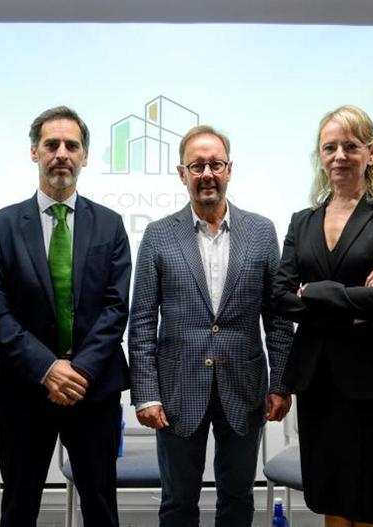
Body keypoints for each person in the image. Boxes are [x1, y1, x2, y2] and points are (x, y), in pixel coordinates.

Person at [129, 125, 294, 526]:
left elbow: (276, 318)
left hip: (244, 387)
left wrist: (280, 384)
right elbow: (143, 321)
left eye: (215, 164)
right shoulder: (158, 235)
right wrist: (146, 394)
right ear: (182, 173)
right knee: (177, 501)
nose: (207, 173)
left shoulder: (261, 231)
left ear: (229, 170)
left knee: (237, 497)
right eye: (197, 165)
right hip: (177, 389)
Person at [0, 106, 131, 527]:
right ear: (34, 153)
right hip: (24, 390)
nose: (61, 153)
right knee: (20, 507)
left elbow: (116, 308)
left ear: (85, 157)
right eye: (51, 145)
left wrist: (76, 371)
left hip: (92, 388)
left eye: (72, 145)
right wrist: (48, 368)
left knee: (101, 505)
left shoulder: (111, 225)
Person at [272, 105, 373, 527]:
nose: (339, 155)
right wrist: (347, 303)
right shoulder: (304, 220)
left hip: (371, 380)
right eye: (329, 147)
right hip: (318, 382)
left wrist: (310, 291)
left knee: (369, 498)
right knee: (331, 494)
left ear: (371, 153)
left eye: (350, 146)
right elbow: (280, 295)